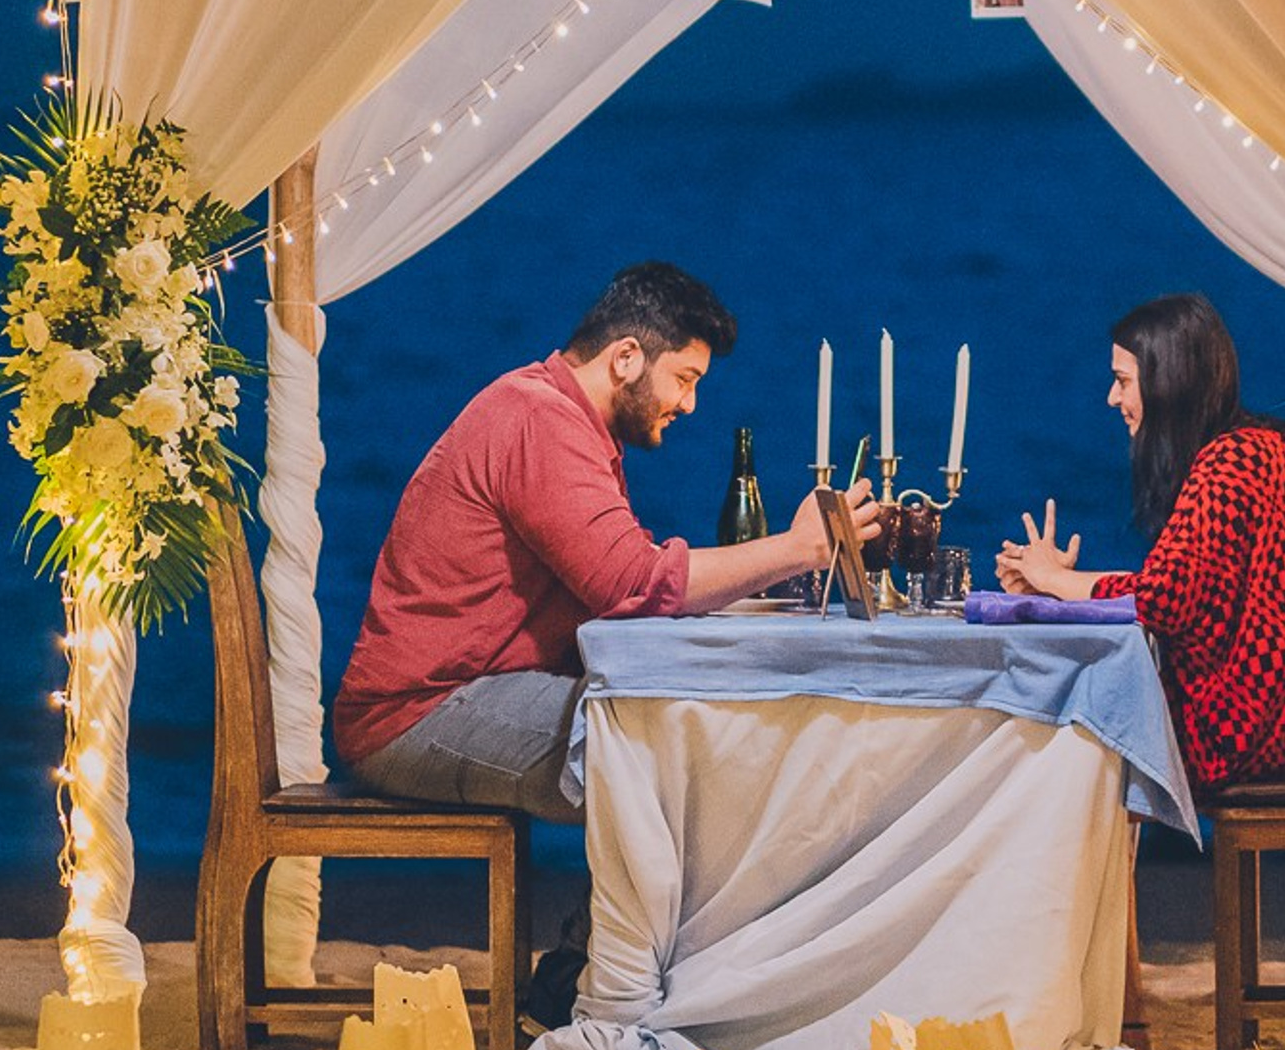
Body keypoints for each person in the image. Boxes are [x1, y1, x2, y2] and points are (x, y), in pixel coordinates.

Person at [336, 260, 878, 821]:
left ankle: (631, 912)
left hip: (473, 689)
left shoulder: (564, 418)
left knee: (697, 728)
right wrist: (798, 548)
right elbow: (631, 583)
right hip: (414, 713)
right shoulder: (539, 418)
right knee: (669, 752)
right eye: (685, 379)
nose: (690, 405)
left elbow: (628, 578)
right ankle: (639, 915)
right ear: (625, 358)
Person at [997, 292, 1285, 793]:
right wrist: (1057, 587)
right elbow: (1183, 586)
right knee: (1087, 716)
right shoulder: (1250, 454)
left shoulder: (1234, 462)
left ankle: (1063, 870)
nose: (1111, 400)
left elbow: (1164, 599)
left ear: (1167, 382)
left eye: (1122, 382)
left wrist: (1057, 580)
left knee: (1068, 725)